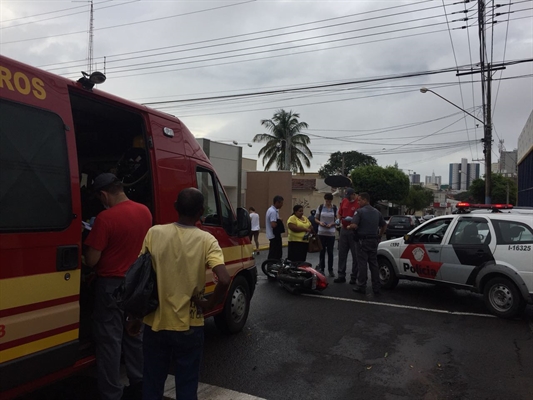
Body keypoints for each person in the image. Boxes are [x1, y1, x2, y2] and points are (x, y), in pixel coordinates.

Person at [141, 188, 231, 400]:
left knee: (152, 382)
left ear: (175, 207)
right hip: (190, 323)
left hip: (155, 322)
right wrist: (209, 304)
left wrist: (135, 316)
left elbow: (142, 278)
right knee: (187, 384)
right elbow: (225, 279)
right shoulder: (207, 240)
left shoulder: (154, 233)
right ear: (201, 212)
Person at [84, 173, 152, 400]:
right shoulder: (145, 212)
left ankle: (111, 392)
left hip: (111, 286)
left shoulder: (105, 219)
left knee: (110, 340)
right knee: (134, 333)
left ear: (104, 194)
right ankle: (139, 381)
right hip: (136, 283)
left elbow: (92, 260)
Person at [350, 192, 387, 295]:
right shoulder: (377, 212)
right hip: (373, 240)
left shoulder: (360, 212)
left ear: (365, 200)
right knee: (374, 264)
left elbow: (354, 225)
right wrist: (379, 235)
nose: (358, 202)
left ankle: (361, 285)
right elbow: (384, 226)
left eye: (360, 200)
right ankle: (376, 286)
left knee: (362, 264)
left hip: (362, 241)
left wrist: (349, 226)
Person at [334, 188, 359, 284]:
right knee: (342, 253)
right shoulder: (344, 201)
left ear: (353, 194)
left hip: (353, 230)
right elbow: (339, 213)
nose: (348, 199)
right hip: (344, 229)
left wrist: (352, 219)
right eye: (347, 197)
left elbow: (360, 216)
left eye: (349, 196)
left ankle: (354, 277)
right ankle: (341, 275)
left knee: (355, 255)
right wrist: (338, 219)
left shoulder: (358, 202)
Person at [315, 193, 337, 277]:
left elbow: (338, 220)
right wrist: (320, 222)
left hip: (331, 233)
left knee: (330, 252)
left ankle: (330, 269)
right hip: (321, 232)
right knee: (322, 251)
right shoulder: (320, 207)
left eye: (329, 201)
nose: (328, 202)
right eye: (327, 200)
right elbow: (316, 219)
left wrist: (332, 224)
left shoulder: (334, 208)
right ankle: (322, 268)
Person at [265, 195, 284, 260]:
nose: (282, 205)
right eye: (281, 203)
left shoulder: (272, 210)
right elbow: (273, 224)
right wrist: (279, 221)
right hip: (274, 235)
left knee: (274, 251)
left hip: (272, 235)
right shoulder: (273, 212)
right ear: (277, 202)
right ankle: (271, 265)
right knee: (274, 253)